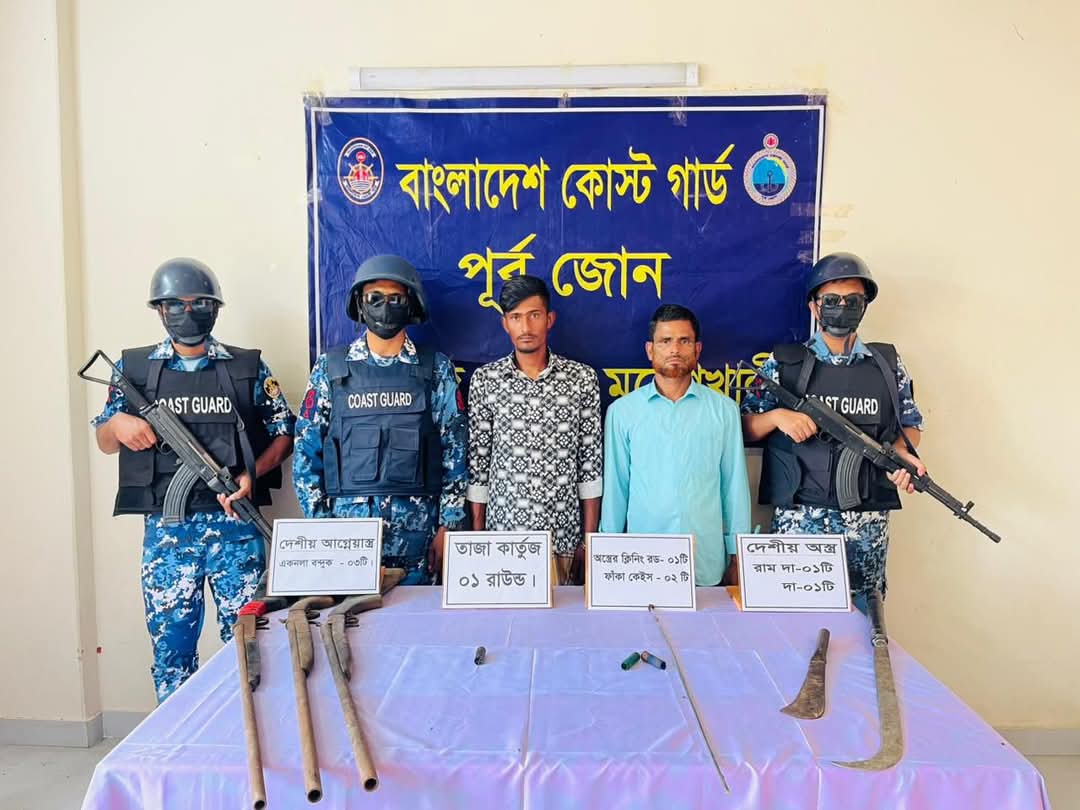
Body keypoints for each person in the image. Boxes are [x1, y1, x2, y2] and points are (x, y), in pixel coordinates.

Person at [92, 258, 294, 702]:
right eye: (176, 305)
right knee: (172, 652)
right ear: (160, 310)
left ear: (215, 308)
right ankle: (179, 736)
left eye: (199, 304)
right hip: (169, 535)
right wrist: (118, 425)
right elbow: (104, 440)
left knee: (248, 647)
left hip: (236, 530)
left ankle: (244, 734)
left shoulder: (247, 367)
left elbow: (285, 433)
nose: (188, 313)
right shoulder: (134, 370)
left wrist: (251, 473)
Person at [740, 252, 925, 606]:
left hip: (867, 532)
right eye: (831, 300)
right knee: (792, 623)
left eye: (852, 301)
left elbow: (910, 426)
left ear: (864, 306)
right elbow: (744, 427)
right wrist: (777, 417)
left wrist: (902, 456)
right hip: (800, 527)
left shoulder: (887, 365)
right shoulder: (785, 363)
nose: (842, 308)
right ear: (814, 306)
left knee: (863, 624)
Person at [293, 254, 467, 584]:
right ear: (360, 303)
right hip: (346, 540)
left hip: (419, 540)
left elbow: (454, 451)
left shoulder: (435, 369)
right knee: (348, 620)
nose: (385, 307)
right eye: (375, 298)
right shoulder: (331, 369)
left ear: (411, 304)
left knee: (418, 619)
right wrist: (321, 531)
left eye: (395, 298)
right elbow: (306, 452)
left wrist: (449, 526)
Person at [600, 304, 751, 586]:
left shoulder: (724, 410)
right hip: (642, 562)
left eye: (684, 341)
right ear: (650, 350)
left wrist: (737, 554)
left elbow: (734, 487)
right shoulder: (623, 412)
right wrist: (607, 551)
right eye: (665, 341)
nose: (675, 350)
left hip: (704, 561)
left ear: (697, 349)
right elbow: (616, 489)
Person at [467, 276, 603, 585]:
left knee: (565, 617)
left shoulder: (580, 379)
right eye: (516, 317)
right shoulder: (487, 380)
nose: (525, 327)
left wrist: (589, 541)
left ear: (549, 319)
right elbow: (479, 465)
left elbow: (590, 465)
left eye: (534, 315)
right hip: (504, 538)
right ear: (505, 323)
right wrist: (478, 540)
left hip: (563, 538)